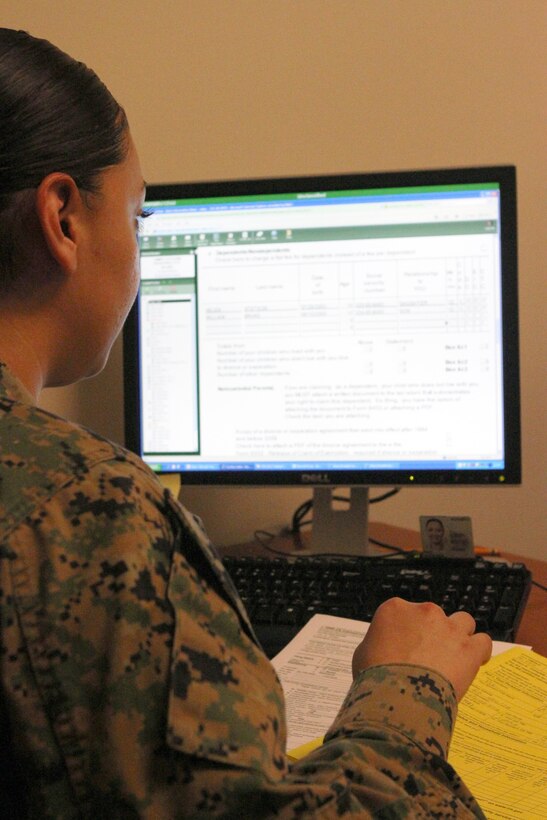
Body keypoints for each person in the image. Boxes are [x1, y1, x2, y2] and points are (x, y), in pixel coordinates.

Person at [0, 28, 492, 819]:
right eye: (137, 216)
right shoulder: (80, 508)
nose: (137, 252)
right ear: (62, 218)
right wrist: (407, 685)